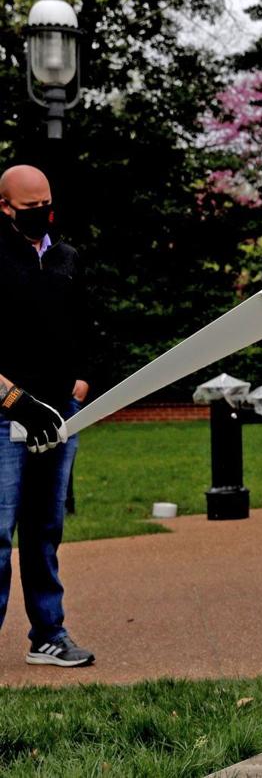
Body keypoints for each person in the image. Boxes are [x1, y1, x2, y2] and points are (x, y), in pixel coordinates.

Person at [0, 164, 93, 667]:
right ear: (5, 207)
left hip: (61, 414)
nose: (40, 214)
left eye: (45, 205)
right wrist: (14, 400)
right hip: (3, 415)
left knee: (43, 530)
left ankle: (48, 635)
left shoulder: (67, 258)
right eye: (28, 208)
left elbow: (87, 327)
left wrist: (79, 384)